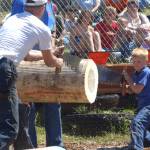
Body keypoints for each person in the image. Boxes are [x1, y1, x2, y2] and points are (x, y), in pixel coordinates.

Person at [0, 0, 63, 149]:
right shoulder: (42, 28)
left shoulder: (12, 19)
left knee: (17, 114)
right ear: (42, 8)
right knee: (9, 129)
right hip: (4, 69)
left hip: (5, 67)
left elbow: (26, 55)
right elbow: (49, 62)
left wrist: (51, 52)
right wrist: (58, 61)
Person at [123, 48, 150, 149]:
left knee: (137, 122)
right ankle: (146, 142)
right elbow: (133, 89)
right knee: (143, 131)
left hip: (148, 105)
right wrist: (128, 88)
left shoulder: (145, 72)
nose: (136, 64)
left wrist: (128, 78)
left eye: (139, 61)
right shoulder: (136, 73)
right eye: (134, 61)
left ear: (146, 61)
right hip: (143, 105)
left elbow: (137, 90)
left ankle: (136, 147)